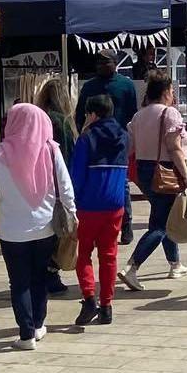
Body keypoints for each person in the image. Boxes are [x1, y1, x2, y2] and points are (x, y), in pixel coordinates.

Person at [0, 102, 75, 350]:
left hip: (12, 233)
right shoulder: (51, 150)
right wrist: (73, 213)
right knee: (39, 278)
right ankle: (39, 324)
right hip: (45, 228)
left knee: (19, 282)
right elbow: (65, 185)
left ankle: (26, 333)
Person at [121, 72, 187, 290]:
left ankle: (175, 263)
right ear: (165, 92)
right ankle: (132, 267)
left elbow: (130, 148)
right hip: (165, 171)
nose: (173, 95)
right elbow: (174, 148)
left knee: (162, 215)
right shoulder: (169, 114)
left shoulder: (139, 116)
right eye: (171, 91)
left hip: (144, 171)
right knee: (161, 225)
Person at [69, 94, 128, 327]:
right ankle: (107, 306)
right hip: (115, 205)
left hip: (89, 205)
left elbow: (76, 176)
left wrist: (72, 202)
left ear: (92, 114)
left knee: (83, 254)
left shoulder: (87, 139)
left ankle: (89, 297)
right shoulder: (124, 136)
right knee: (109, 255)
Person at [34, 78, 78, 293]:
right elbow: (67, 156)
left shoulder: (38, 119)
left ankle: (40, 272)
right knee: (58, 231)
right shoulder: (61, 122)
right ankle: (51, 274)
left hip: (37, 182)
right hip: (56, 183)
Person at [79, 53, 139, 127]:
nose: (102, 65)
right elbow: (80, 113)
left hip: (119, 135)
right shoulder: (88, 86)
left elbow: (132, 113)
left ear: (115, 63)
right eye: (99, 63)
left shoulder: (127, 85)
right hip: (95, 135)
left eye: (106, 62)